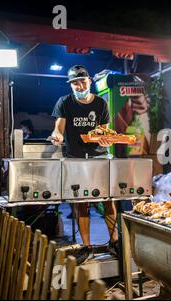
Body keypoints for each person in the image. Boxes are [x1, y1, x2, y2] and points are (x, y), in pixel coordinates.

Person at [51, 65, 119, 264]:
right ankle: (86, 246)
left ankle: (114, 242)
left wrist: (105, 138)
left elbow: (104, 131)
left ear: (89, 81)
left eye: (82, 81)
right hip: (76, 158)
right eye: (74, 83)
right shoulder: (64, 102)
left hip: (99, 157)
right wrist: (56, 135)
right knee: (82, 202)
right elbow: (59, 128)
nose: (79, 86)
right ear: (70, 85)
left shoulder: (101, 104)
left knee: (108, 200)